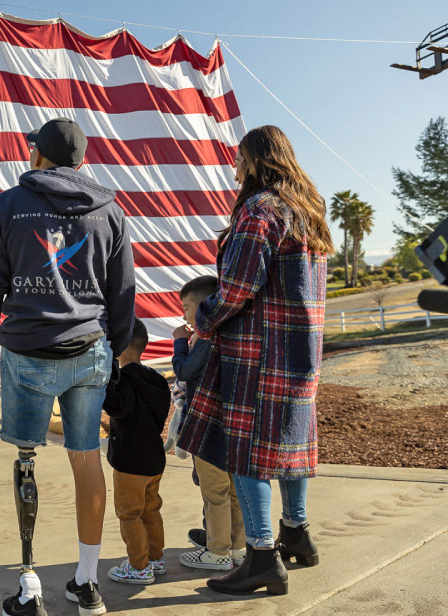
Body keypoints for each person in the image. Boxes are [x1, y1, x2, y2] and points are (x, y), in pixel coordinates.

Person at [0, 117, 135, 616]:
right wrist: (118, 352)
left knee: (26, 460)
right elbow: (123, 292)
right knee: (86, 459)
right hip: (90, 350)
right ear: (81, 161)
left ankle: (29, 585)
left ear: (38, 154)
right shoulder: (110, 211)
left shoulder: (6, 206)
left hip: (27, 352)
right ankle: (87, 583)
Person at [177, 125, 331, 595]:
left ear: (256, 159)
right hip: (301, 352)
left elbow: (238, 286)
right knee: (291, 445)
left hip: (257, 355)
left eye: (239, 157)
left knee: (247, 454)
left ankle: (262, 556)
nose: (235, 166)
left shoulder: (260, 210)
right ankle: (297, 534)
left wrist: (203, 320)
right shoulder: (310, 210)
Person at [171, 276, 246, 573]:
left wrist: (179, 341)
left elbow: (185, 371)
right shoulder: (229, 332)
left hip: (208, 426)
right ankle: (238, 548)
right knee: (233, 491)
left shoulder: (206, 335)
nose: (184, 315)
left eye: (186, 307)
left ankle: (217, 552)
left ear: (203, 307)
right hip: (231, 424)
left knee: (214, 492)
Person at [102, 319, 170, 585]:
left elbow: (116, 406)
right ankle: (155, 558)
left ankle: (139, 567)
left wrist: (107, 378)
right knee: (151, 509)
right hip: (154, 457)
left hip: (130, 461)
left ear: (118, 346)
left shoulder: (124, 380)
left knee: (129, 513)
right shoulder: (155, 379)